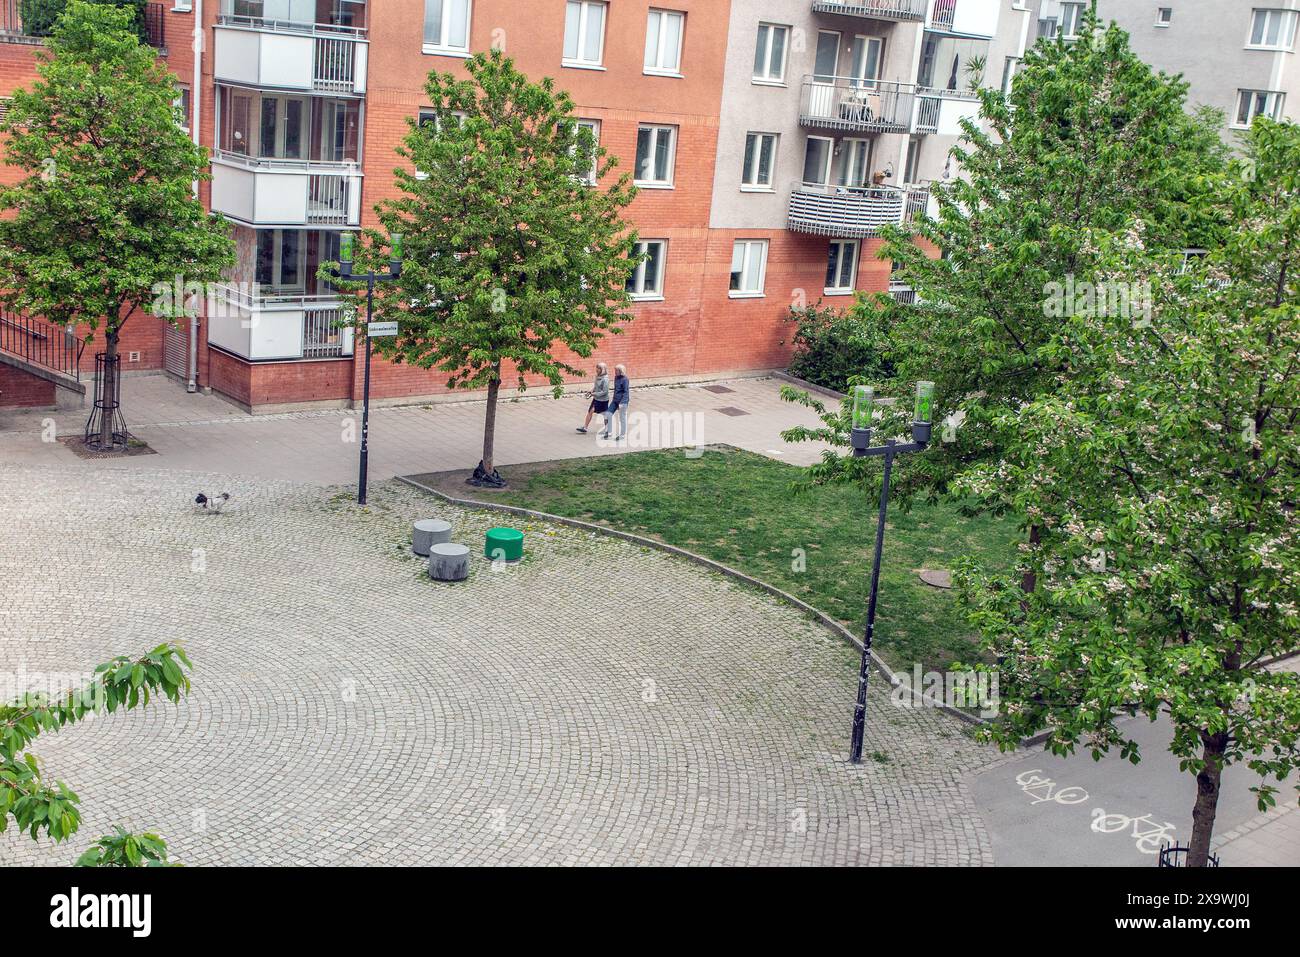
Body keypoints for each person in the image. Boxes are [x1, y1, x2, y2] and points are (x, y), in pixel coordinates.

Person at [577, 363, 611, 435]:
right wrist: (591, 391)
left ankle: (607, 429)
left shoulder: (605, 379)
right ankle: (585, 427)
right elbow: (596, 386)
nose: (597, 370)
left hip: (603, 400)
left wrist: (593, 394)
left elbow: (604, 392)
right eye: (597, 368)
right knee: (590, 411)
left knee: (604, 414)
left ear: (603, 370)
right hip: (596, 399)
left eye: (599, 368)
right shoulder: (597, 376)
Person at [610, 365, 630, 441]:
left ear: (621, 371)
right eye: (615, 370)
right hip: (615, 401)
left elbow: (626, 392)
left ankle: (622, 435)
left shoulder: (625, 379)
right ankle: (608, 431)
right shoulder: (616, 378)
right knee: (608, 414)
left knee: (622, 418)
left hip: (623, 402)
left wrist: (622, 403)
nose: (615, 372)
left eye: (616, 371)